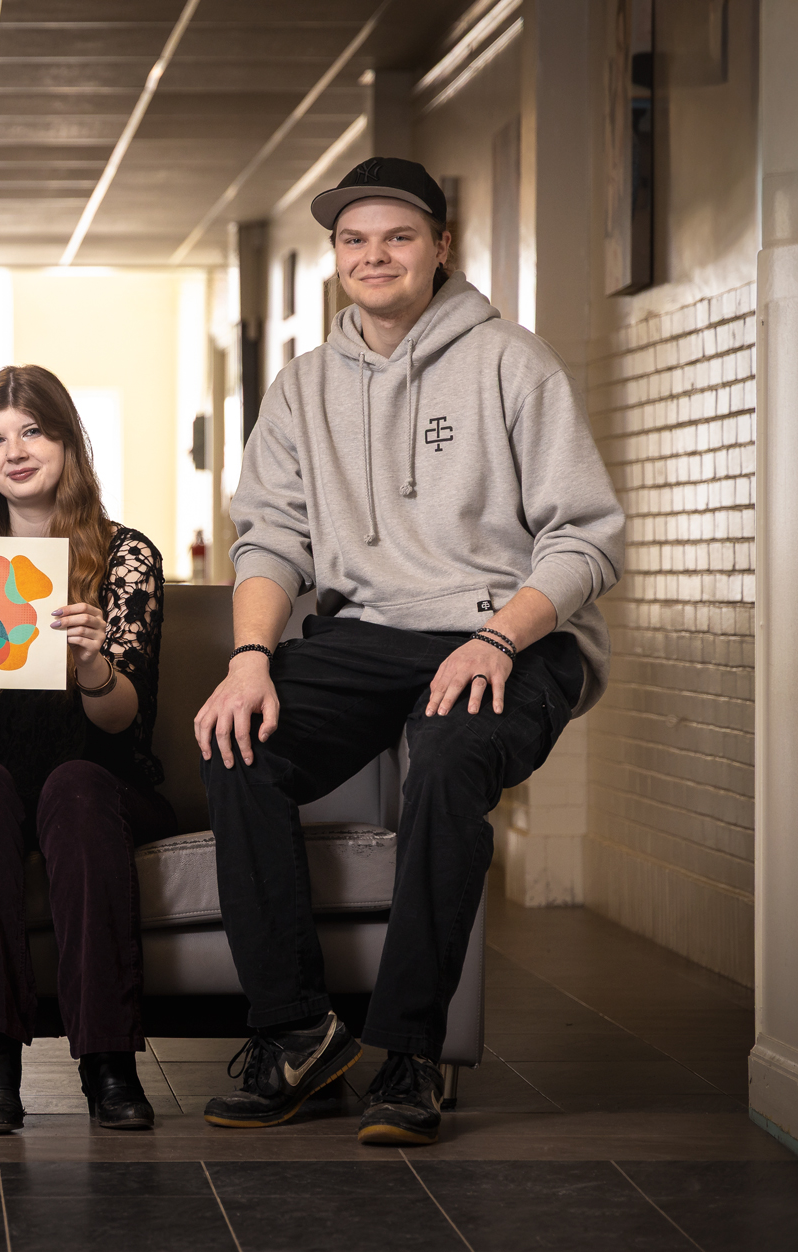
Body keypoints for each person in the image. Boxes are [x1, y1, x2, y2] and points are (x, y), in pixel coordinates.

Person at [195, 158, 624, 1146]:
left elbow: (583, 539)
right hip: (368, 630)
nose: (372, 255)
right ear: (336, 256)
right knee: (236, 744)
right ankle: (297, 1029)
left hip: (510, 629)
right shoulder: (302, 386)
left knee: (441, 760)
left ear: (436, 246)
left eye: (395, 237)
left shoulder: (511, 362)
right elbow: (268, 535)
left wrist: (491, 637)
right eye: (353, 240)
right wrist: (249, 656)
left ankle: (410, 1051)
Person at [0, 365, 175, 1135]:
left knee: (75, 786)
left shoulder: (125, 557)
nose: (13, 451)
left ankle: (108, 1061)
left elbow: (127, 722)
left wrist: (92, 664)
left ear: (67, 443)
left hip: (97, 779)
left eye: (32, 431)